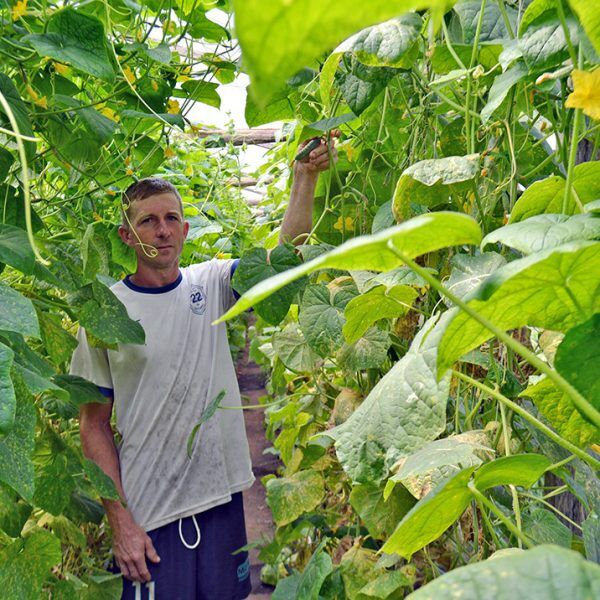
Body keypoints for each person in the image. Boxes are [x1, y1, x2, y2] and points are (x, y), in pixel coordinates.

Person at [70, 135, 338, 600]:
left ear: (186, 229)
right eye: (148, 221)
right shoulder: (106, 312)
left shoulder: (210, 283)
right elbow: (93, 424)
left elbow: (278, 262)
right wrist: (120, 521)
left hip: (220, 496)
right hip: (151, 512)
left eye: (171, 219)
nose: (162, 231)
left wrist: (305, 178)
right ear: (126, 236)